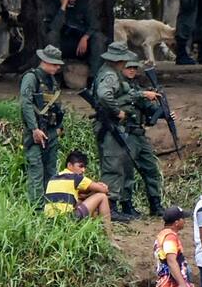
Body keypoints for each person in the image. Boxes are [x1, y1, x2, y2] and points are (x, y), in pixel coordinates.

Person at [91, 43, 138, 223]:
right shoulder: (110, 75)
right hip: (108, 125)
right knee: (112, 165)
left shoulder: (106, 71)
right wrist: (117, 111)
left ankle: (112, 206)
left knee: (115, 163)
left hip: (107, 125)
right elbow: (104, 95)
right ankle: (109, 207)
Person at [19, 44, 66, 207]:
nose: (58, 67)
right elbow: (26, 104)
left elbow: (57, 106)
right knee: (36, 170)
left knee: (51, 171)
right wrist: (34, 129)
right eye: (54, 64)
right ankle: (37, 209)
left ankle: (50, 207)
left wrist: (59, 126)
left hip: (51, 131)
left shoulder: (52, 80)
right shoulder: (31, 78)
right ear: (44, 61)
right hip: (36, 132)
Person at [119, 57, 166, 218]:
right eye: (128, 67)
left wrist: (163, 112)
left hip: (139, 133)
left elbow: (147, 107)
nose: (132, 70)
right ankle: (126, 205)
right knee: (127, 171)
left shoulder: (135, 86)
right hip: (126, 133)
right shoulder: (119, 86)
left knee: (151, 168)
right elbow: (127, 97)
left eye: (134, 67)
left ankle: (155, 204)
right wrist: (144, 94)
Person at [44, 0, 106, 83]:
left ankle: (94, 78)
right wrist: (63, 7)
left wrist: (85, 37)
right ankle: (56, 76)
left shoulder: (83, 5)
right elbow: (54, 28)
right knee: (51, 36)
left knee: (99, 38)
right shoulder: (54, 7)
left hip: (81, 45)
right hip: (63, 45)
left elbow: (95, 24)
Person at [43, 149, 112, 230]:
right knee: (102, 196)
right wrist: (100, 186)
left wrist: (88, 194)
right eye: (80, 166)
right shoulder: (76, 178)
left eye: (84, 167)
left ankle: (92, 231)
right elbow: (104, 190)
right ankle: (109, 235)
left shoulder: (53, 178)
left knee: (80, 200)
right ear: (69, 165)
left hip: (50, 222)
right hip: (66, 220)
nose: (83, 170)